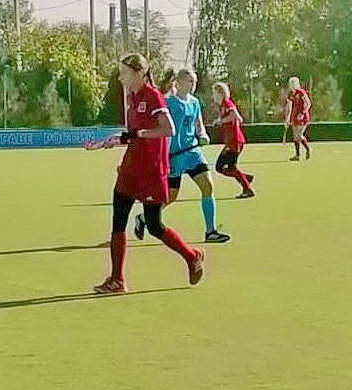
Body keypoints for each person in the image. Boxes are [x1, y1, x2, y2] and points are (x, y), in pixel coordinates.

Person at [84, 54, 206, 294]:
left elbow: (167, 129)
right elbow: (135, 134)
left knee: (154, 225)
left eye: (124, 73)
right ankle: (117, 279)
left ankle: (192, 256)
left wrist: (136, 135)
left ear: (139, 73)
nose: (121, 78)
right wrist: (114, 140)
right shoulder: (132, 97)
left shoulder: (153, 96)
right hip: (131, 168)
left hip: (151, 171)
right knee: (118, 221)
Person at [134, 69, 231, 243]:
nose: (193, 85)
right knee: (171, 196)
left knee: (208, 186)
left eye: (194, 82)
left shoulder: (194, 102)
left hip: (193, 153)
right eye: (190, 81)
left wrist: (203, 134)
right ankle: (143, 217)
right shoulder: (168, 103)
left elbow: (198, 123)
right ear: (179, 83)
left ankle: (211, 231)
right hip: (175, 156)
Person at [212, 82, 255, 198]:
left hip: (235, 141)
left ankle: (247, 187)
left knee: (223, 167)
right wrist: (219, 121)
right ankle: (244, 179)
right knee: (223, 167)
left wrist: (221, 121)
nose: (213, 95)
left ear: (220, 93)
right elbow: (235, 118)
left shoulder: (227, 103)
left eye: (214, 93)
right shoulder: (222, 106)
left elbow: (236, 117)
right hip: (231, 141)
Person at [285, 77, 312, 161]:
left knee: (299, 135)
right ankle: (297, 155)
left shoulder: (301, 92)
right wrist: (287, 118)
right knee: (295, 137)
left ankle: (308, 149)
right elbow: (289, 106)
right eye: (291, 83)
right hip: (294, 116)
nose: (292, 85)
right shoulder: (291, 94)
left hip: (303, 117)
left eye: (293, 83)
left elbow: (308, 103)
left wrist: (303, 113)